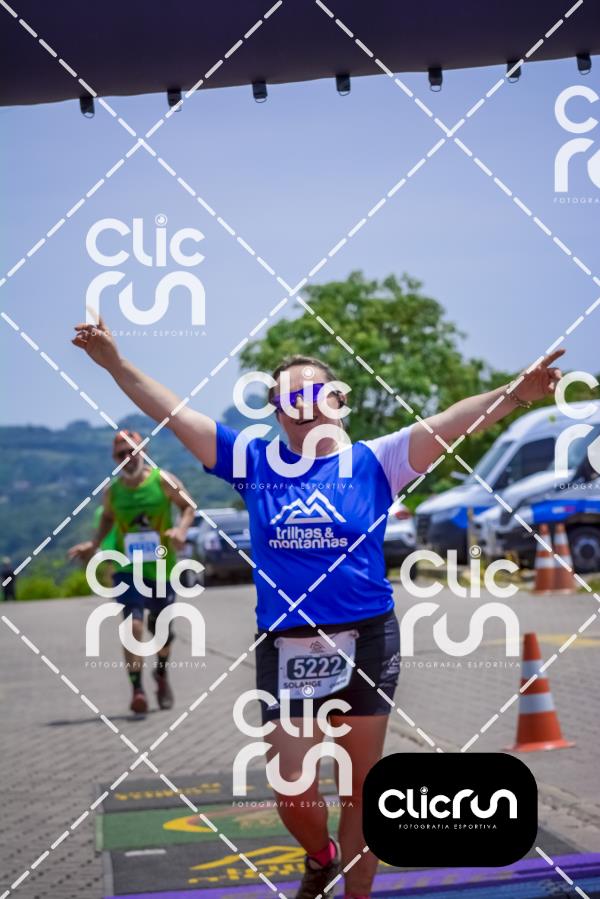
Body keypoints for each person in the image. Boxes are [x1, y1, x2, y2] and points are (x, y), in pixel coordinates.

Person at [71, 316, 563, 898]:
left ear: (337, 403)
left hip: (367, 637)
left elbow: (454, 420)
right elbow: (176, 415)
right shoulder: (253, 462)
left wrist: (516, 392)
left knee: (360, 789)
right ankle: (320, 855)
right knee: (293, 787)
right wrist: (114, 363)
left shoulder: (377, 461)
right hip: (287, 644)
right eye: (289, 399)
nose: (303, 407)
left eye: (315, 394)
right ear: (277, 412)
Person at [69, 429, 196, 714]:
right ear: (114, 459)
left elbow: (188, 507)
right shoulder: (112, 492)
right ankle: (137, 689)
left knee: (162, 634)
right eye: (121, 454)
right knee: (133, 626)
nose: (128, 457)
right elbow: (107, 518)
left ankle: (160, 673)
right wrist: (94, 544)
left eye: (133, 451)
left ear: (144, 452)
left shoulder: (162, 481)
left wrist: (180, 531)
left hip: (161, 568)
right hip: (126, 568)